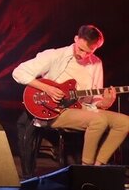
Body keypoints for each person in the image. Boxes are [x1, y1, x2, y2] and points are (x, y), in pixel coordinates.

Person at [12, 24, 128, 167]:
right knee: (98, 120)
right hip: (56, 110)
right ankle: (86, 168)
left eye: (89, 52)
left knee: (125, 122)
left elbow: (94, 100)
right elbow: (19, 72)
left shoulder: (96, 63)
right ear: (76, 39)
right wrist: (47, 88)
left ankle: (98, 167)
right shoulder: (55, 55)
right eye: (81, 49)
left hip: (82, 108)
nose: (83, 55)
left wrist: (105, 103)